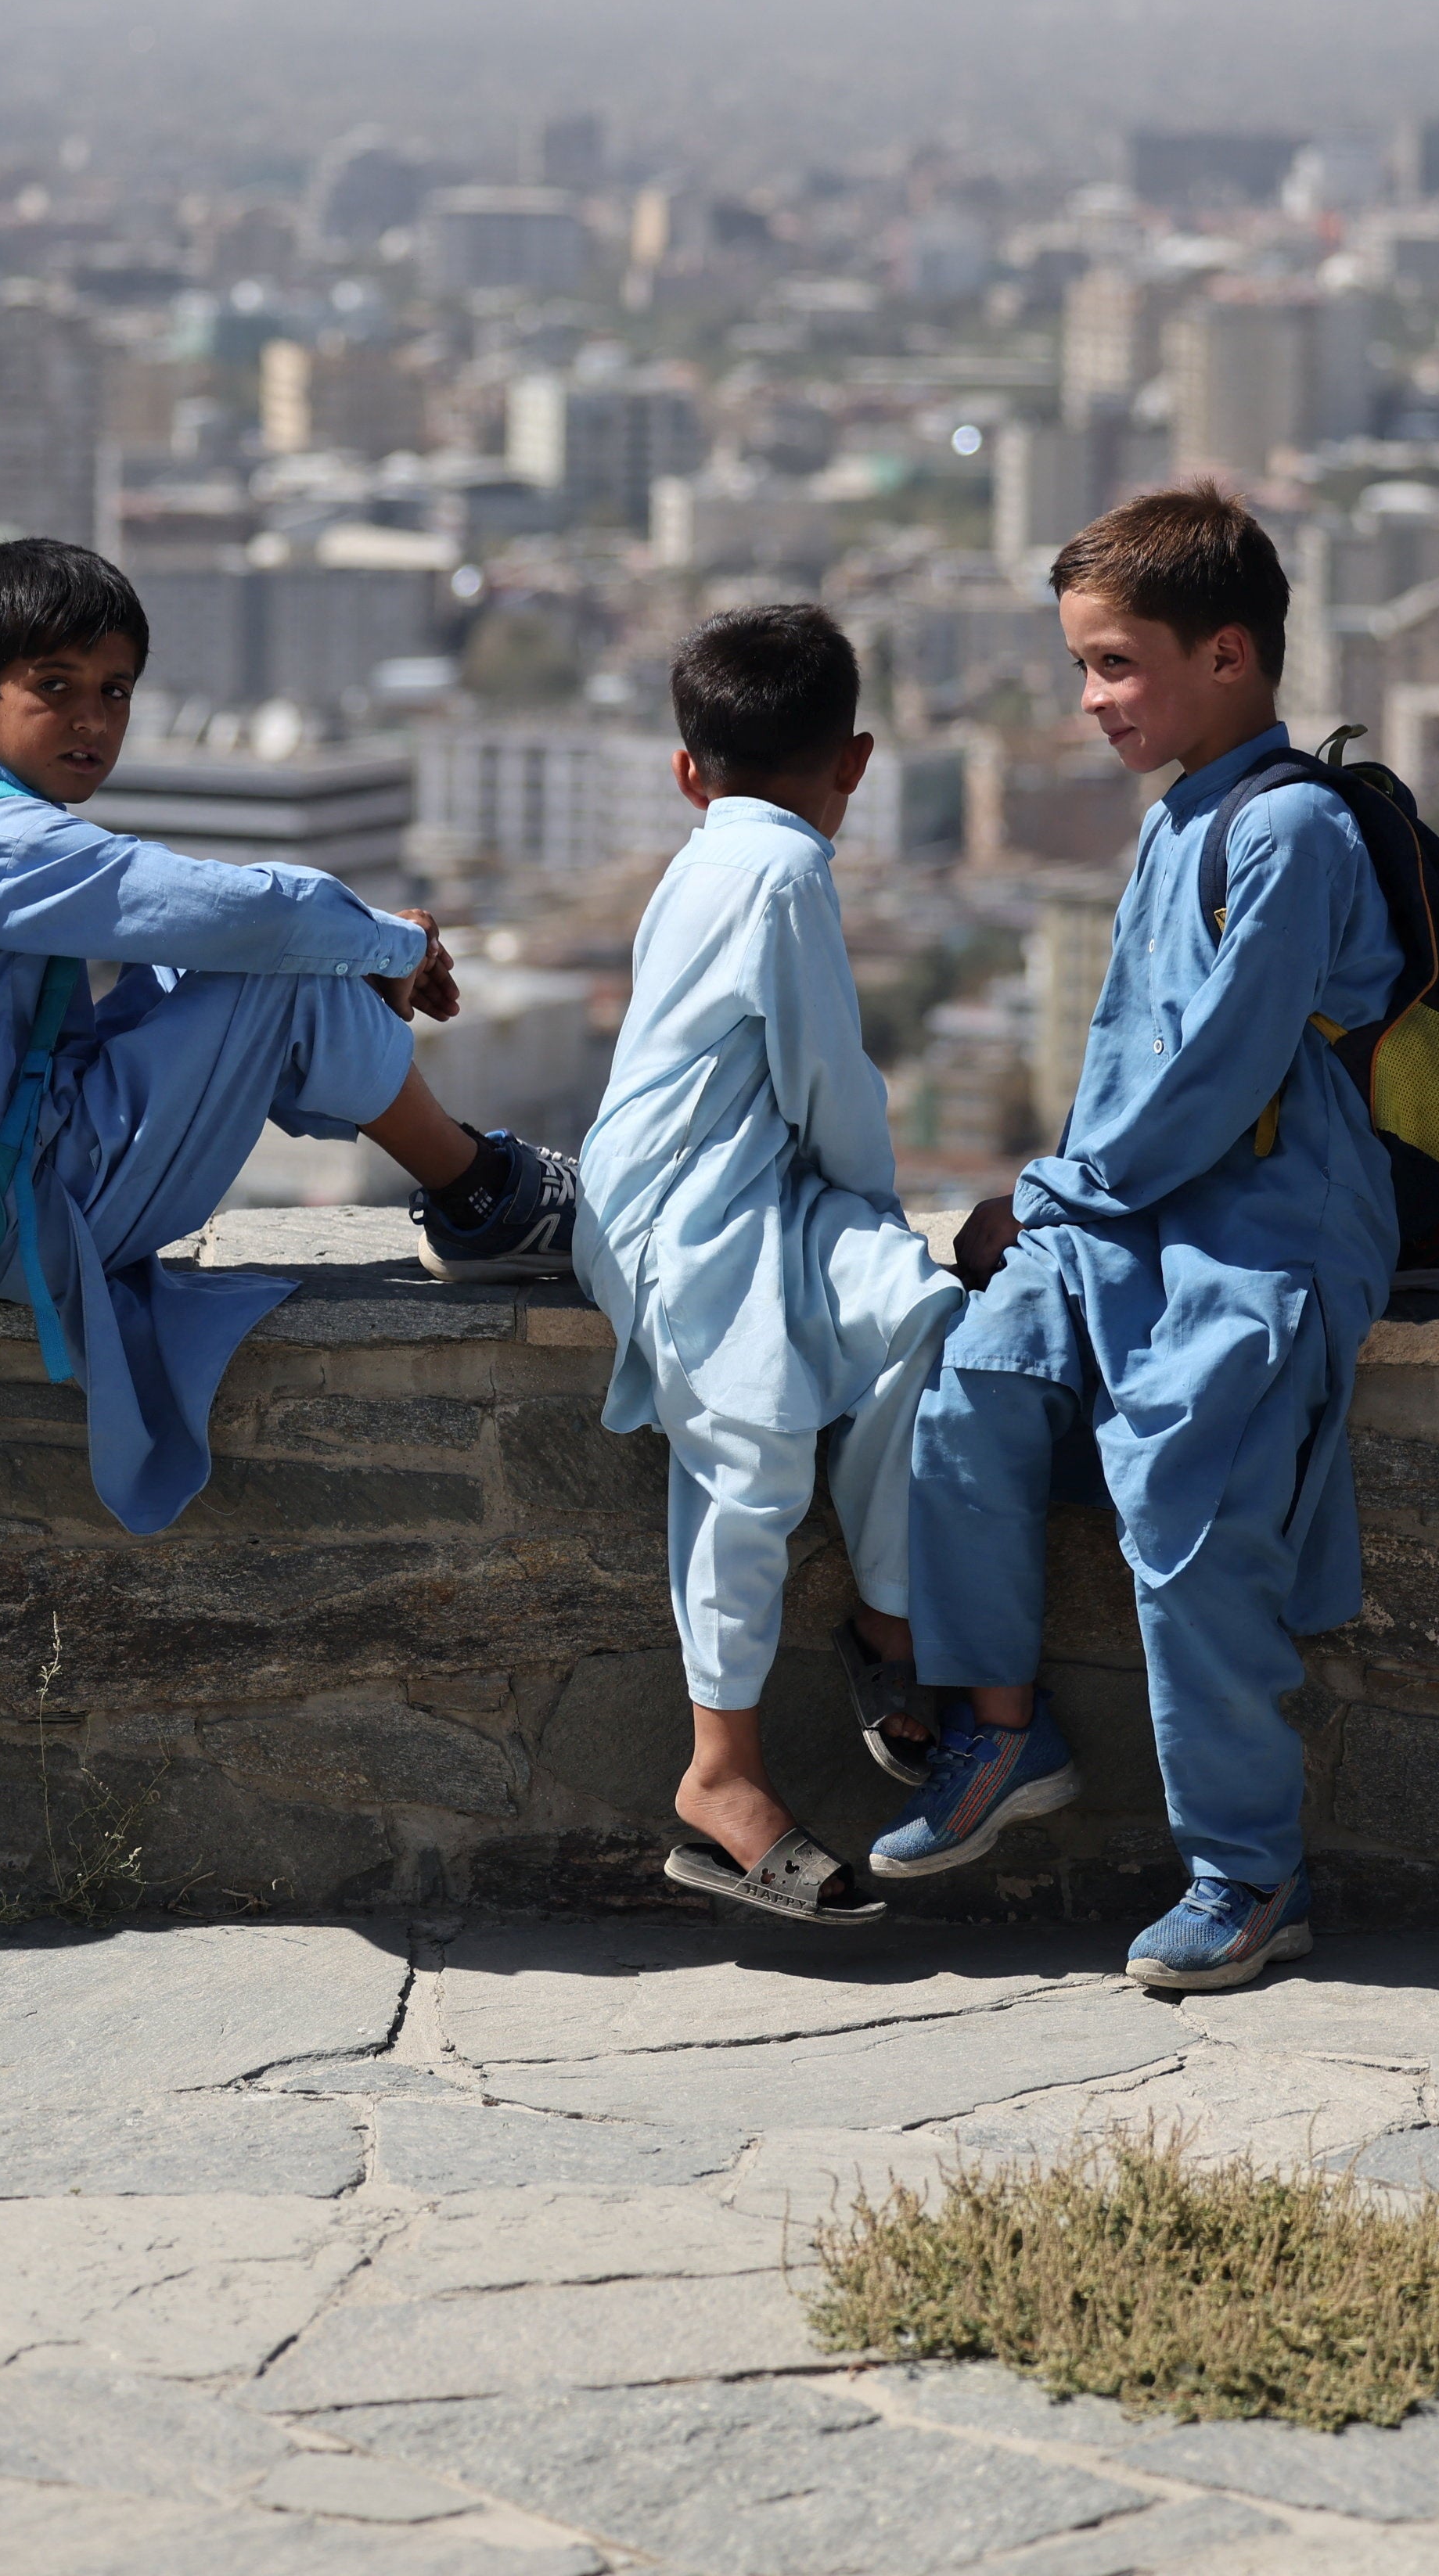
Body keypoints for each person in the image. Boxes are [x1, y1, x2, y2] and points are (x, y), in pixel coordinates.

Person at [873, 484, 1398, 1992]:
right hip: (1122, 1216)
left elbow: (1218, 1079)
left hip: (1256, 1232)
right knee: (971, 1393)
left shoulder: (1289, 830)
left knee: (1188, 1512)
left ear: (1228, 656)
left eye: (1116, 665)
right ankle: (1003, 1729)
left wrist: (1042, 1197)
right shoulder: (1184, 813)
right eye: (1083, 667)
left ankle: (1249, 1874)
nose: (1093, 700)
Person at [0, 539, 575, 1536]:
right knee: (275, 971)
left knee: (252, 955)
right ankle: (482, 1197)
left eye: (117, 690)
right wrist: (385, 943)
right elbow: (224, 907)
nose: (94, 719)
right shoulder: (4, 845)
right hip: (19, 1222)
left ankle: (468, 1176)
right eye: (56, 686)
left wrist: (356, 949)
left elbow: (190, 918)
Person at [576, 605, 966, 1925]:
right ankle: (719, 1773)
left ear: (691, 771)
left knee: (916, 1316)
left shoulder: (720, 854)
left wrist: (863, 1239)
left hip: (769, 1190)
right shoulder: (784, 869)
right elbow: (826, 1077)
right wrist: (869, 1204)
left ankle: (888, 1618)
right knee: (752, 1448)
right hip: (682, 1208)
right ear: (854, 762)